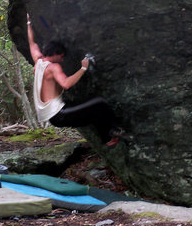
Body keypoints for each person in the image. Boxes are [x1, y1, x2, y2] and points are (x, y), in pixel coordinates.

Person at [27, 15, 122, 147]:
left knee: (89, 107)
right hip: (59, 114)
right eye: (61, 56)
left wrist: (29, 23)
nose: (62, 59)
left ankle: (110, 134)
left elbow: (32, 43)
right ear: (55, 53)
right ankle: (109, 138)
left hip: (55, 115)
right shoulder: (54, 67)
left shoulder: (38, 61)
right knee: (100, 104)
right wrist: (83, 68)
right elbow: (66, 84)